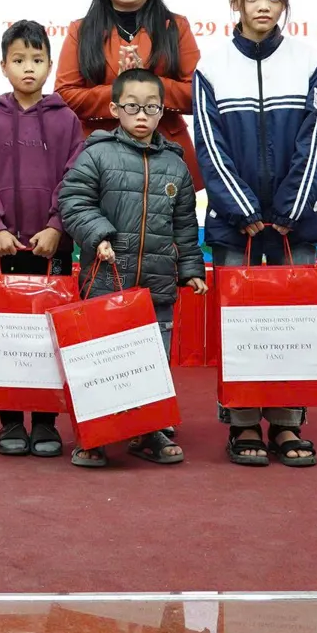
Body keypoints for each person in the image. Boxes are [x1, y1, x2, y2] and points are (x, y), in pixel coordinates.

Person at [192, 0, 317, 467]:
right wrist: (242, 208)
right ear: (236, 3)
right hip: (236, 224)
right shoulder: (211, 67)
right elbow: (209, 145)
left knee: (294, 322)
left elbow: (315, 139)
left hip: (297, 221)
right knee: (240, 325)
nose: (263, 7)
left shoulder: (308, 61)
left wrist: (290, 208)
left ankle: (289, 423)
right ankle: (243, 422)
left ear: (285, 3)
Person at [56, 67, 207, 469]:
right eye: (132, 107)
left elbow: (185, 225)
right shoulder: (96, 153)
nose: (142, 115)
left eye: (151, 107)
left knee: (152, 358)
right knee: (101, 356)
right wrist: (99, 234)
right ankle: (94, 434)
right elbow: (72, 200)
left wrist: (192, 268)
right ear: (114, 109)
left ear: (163, 111)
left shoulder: (176, 165)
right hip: (106, 278)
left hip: (158, 284)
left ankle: (148, 430)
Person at [0, 19, 85, 459]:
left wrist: (57, 226)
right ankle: (11, 420)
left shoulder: (67, 119)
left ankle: (47, 420)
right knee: (7, 331)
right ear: (3, 66)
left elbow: (74, 177)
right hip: (2, 248)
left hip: (52, 246)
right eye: (18, 60)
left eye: (37, 60)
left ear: (50, 65)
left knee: (50, 332)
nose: (28, 68)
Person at [55, 0, 201, 182]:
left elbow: (196, 95)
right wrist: (120, 91)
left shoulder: (176, 27)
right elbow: (64, 96)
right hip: (99, 151)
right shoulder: (81, 30)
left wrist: (149, 84)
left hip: (167, 152)